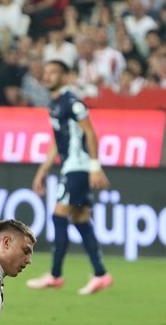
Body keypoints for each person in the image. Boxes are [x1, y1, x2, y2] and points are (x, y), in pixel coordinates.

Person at [26, 59, 113, 295]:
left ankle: (55, 274)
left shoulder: (72, 102)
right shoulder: (55, 104)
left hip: (79, 167)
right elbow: (57, 140)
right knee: (81, 219)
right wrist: (43, 170)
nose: (47, 76)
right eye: (45, 72)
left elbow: (91, 133)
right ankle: (100, 274)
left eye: (53, 72)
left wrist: (95, 166)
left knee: (59, 216)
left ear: (64, 77)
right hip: (71, 166)